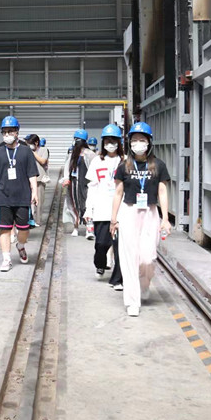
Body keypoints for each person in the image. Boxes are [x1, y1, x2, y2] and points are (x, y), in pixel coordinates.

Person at [110, 122, 172, 317]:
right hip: (129, 212)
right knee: (129, 258)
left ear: (149, 142)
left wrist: (165, 218)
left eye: (142, 140)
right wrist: (113, 219)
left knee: (147, 258)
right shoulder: (124, 166)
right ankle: (132, 301)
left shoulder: (159, 165)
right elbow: (118, 193)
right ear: (129, 143)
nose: (138, 143)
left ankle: (144, 284)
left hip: (150, 213)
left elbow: (162, 191)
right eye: (135, 140)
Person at [0, 116, 38, 272]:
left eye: (10, 131)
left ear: (17, 132)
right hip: (3, 196)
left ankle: (20, 245)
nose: (7, 134)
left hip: (22, 196)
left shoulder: (26, 151)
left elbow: (32, 173)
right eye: (4, 132)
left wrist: (35, 192)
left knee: (24, 229)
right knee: (4, 229)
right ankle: (6, 259)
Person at [85, 124, 124, 289]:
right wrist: (89, 208)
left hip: (121, 210)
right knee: (101, 244)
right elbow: (92, 186)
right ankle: (100, 264)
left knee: (120, 247)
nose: (110, 144)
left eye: (113, 141)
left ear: (119, 142)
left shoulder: (125, 161)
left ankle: (118, 279)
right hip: (101, 209)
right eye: (107, 141)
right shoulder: (97, 161)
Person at [64, 129, 96, 238]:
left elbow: (94, 168)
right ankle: (76, 227)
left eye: (78, 140)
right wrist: (66, 178)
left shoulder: (90, 154)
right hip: (73, 183)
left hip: (85, 184)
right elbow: (67, 166)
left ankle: (89, 229)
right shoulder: (72, 153)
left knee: (87, 205)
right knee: (74, 205)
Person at [26, 134, 49, 227]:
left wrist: (32, 153)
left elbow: (43, 161)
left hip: (40, 179)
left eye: (31, 143)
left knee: (38, 201)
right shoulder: (26, 151)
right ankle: (29, 219)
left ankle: (38, 220)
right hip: (28, 179)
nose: (29, 145)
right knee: (28, 201)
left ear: (36, 143)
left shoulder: (43, 150)